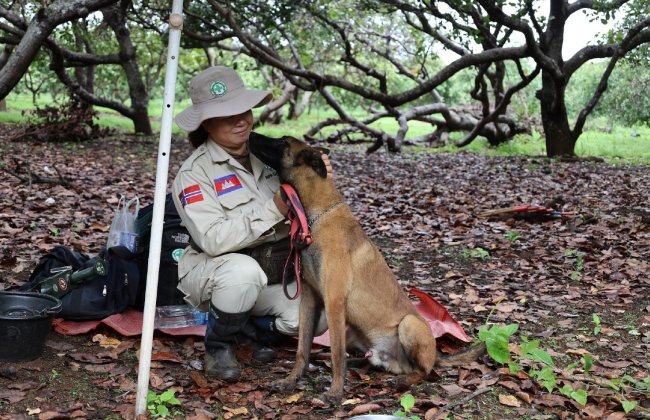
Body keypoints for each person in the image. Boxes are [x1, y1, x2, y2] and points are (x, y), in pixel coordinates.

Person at [172, 66, 328, 381]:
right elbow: (213, 240)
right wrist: (273, 209)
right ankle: (218, 347)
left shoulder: (269, 154)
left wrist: (317, 180)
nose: (241, 119)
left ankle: (251, 332)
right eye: (228, 114)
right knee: (242, 274)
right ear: (206, 123)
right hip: (218, 272)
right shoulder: (194, 174)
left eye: (243, 109)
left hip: (274, 269)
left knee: (320, 315)